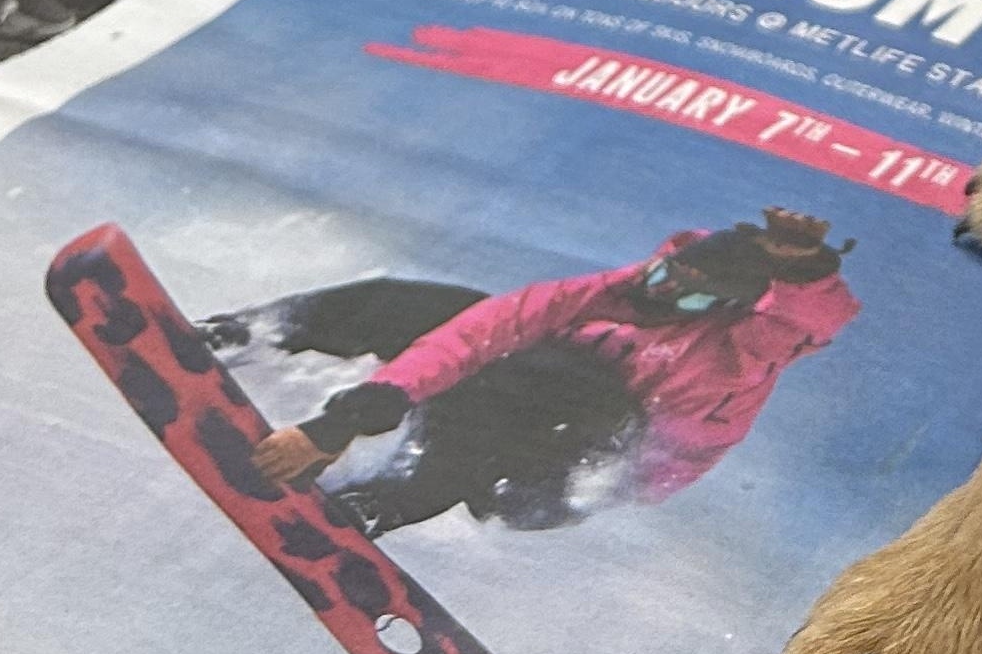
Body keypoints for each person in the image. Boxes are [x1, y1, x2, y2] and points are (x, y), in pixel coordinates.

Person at [249, 210, 859, 534]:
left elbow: (805, 321)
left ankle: (398, 498)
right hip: (522, 406)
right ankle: (256, 329)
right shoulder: (607, 292)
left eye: (692, 296)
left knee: (556, 384)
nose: (665, 293)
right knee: (451, 309)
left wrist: (804, 268)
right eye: (664, 275)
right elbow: (476, 334)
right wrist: (358, 412)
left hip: (565, 475)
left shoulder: (738, 352)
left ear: (726, 309)